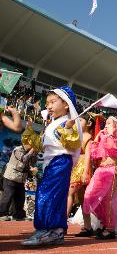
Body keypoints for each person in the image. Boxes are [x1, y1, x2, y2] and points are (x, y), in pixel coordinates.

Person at [21, 86, 82, 246]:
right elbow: (40, 145)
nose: (48, 106)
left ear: (66, 104)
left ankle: (51, 230)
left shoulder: (68, 122)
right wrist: (29, 131)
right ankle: (50, 230)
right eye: (47, 103)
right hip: (49, 164)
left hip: (60, 162)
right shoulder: (52, 124)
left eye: (53, 102)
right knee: (45, 194)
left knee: (50, 195)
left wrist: (68, 128)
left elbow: (74, 143)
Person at [83, 116, 117, 240]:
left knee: (109, 200)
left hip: (112, 170)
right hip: (100, 171)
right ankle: (104, 223)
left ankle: (109, 229)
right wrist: (97, 137)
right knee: (89, 196)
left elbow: (113, 148)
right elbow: (94, 153)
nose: (106, 126)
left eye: (109, 124)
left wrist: (105, 136)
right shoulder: (103, 137)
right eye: (106, 124)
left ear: (116, 127)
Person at [66, 115, 96, 237]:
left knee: (69, 193)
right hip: (75, 167)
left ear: (88, 124)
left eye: (81, 120)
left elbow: (88, 156)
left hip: (82, 167)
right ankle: (88, 227)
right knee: (83, 199)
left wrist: (85, 172)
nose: (77, 122)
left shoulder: (88, 137)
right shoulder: (76, 135)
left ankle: (61, 224)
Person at [0, 143, 36, 221]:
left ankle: (18, 215)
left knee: (20, 197)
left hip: (20, 178)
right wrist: (31, 151)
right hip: (10, 177)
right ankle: (2, 214)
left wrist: (34, 154)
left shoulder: (30, 152)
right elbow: (24, 159)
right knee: (8, 195)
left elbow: (32, 161)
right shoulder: (18, 150)